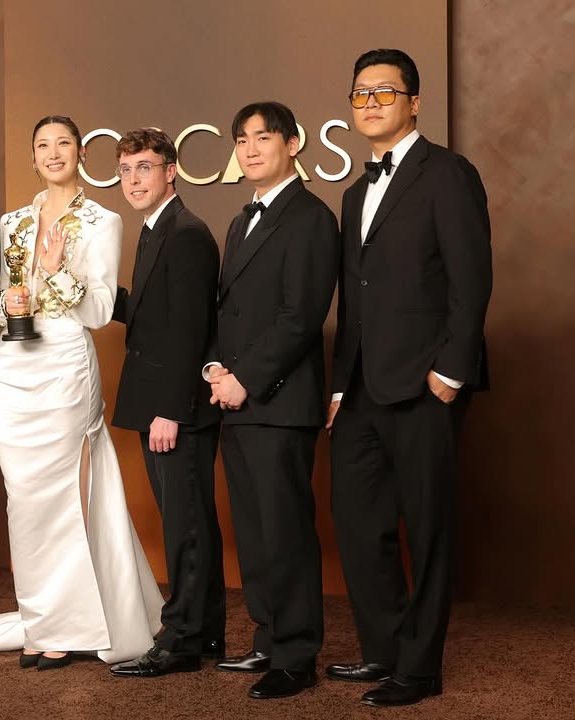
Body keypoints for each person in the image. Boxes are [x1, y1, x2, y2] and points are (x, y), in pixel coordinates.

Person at [325, 49, 491, 707]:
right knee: (359, 524)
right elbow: (355, 298)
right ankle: (386, 650)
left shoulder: (447, 173)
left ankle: (419, 669)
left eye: (384, 92)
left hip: (426, 383)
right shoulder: (354, 192)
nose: (369, 103)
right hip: (362, 388)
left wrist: (450, 371)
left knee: (427, 530)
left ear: (414, 103)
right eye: (360, 93)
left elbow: (471, 277)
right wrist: (340, 386)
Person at [0, 115, 162, 670]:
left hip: (64, 369)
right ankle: (40, 619)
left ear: (81, 153)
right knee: (24, 500)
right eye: (42, 145)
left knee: (62, 498)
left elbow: (101, 310)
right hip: (13, 368)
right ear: (32, 157)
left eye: (63, 144)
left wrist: (56, 273)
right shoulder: (12, 222)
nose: (53, 152)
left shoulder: (103, 221)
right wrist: (5, 302)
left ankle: (67, 625)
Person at [205, 102, 339, 699]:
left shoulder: (311, 217)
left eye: (263, 136)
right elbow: (228, 311)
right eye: (242, 139)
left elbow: (300, 316)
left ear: (292, 143)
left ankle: (296, 655)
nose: (251, 148)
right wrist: (216, 368)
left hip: (279, 402)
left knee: (285, 531)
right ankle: (268, 637)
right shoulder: (242, 219)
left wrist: (247, 379)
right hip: (237, 399)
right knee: (255, 531)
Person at [106, 128, 226, 678]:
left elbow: (190, 331)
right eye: (126, 170)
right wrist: (88, 291)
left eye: (145, 168)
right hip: (160, 399)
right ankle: (205, 631)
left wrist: (171, 409)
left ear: (171, 171)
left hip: (176, 407)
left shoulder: (187, 234)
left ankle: (181, 640)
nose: (134, 180)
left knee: (186, 526)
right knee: (189, 521)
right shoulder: (157, 229)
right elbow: (154, 314)